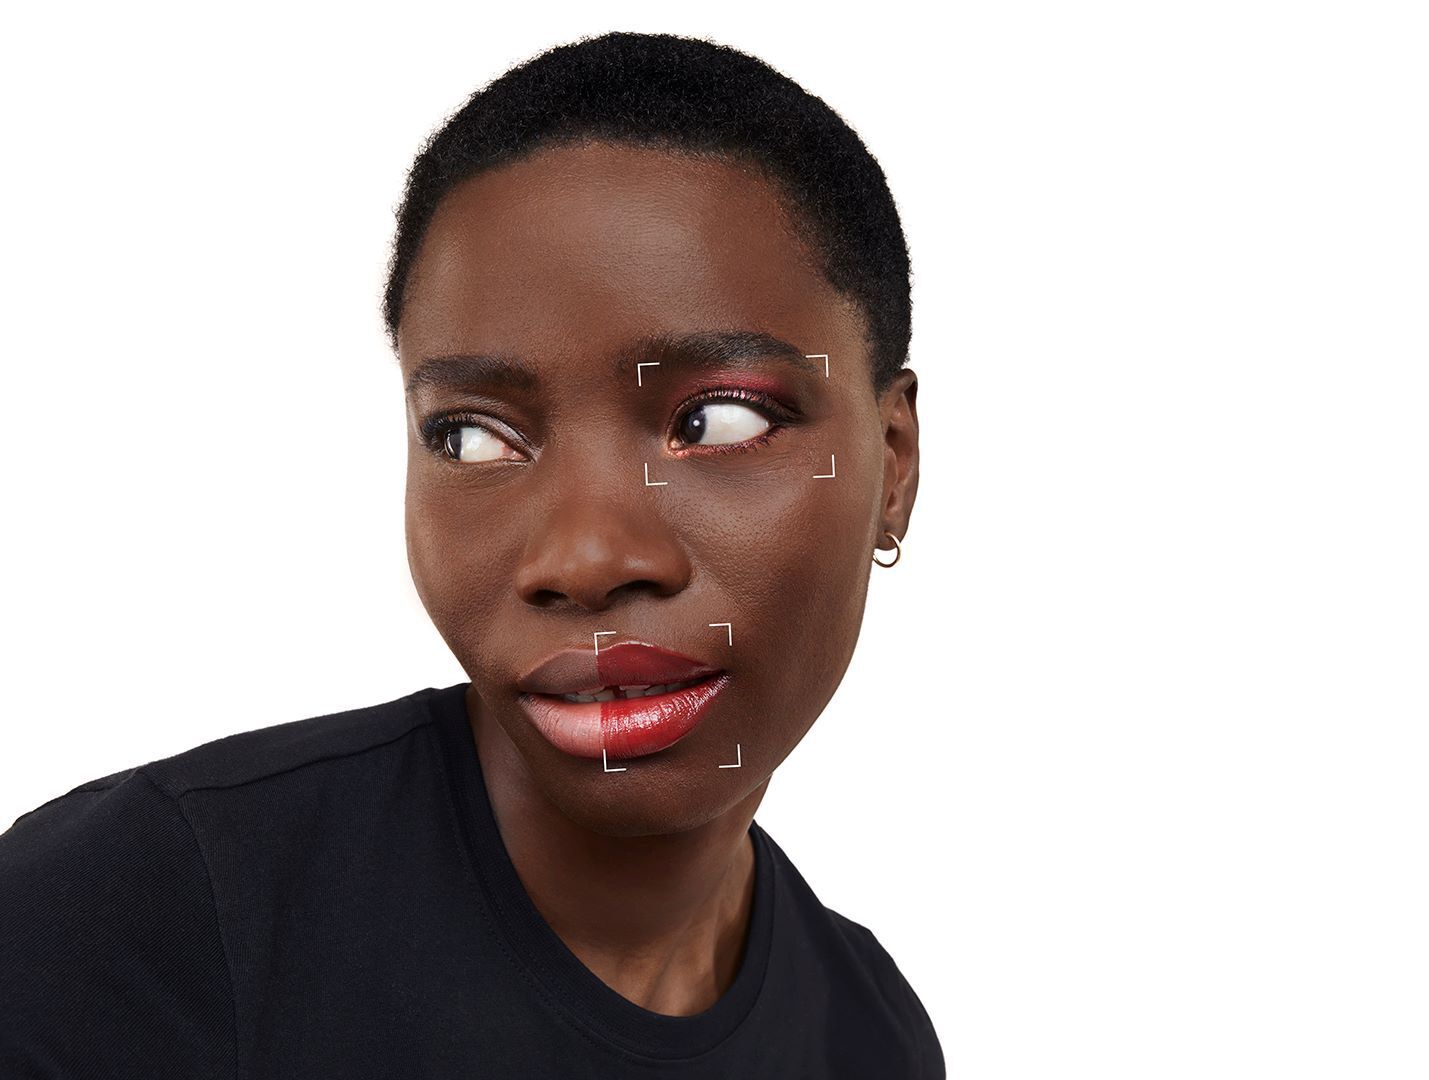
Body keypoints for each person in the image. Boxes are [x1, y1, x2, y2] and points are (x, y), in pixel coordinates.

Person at [0, 31, 937, 1077]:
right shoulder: (129, 926)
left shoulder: (870, 1034)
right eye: (473, 436)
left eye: (718, 421)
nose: (584, 558)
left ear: (892, 463)